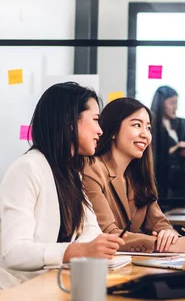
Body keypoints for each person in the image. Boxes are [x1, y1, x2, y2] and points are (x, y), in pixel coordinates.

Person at [0, 82, 124, 289]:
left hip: (52, 285)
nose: (100, 130)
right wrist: (75, 251)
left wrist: (86, 248)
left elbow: (92, 230)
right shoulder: (27, 168)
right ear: (70, 122)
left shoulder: (70, 172)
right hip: (17, 290)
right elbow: (13, 252)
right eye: (95, 120)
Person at [83, 98, 185, 253]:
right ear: (114, 130)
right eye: (137, 125)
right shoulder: (92, 168)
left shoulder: (137, 176)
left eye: (148, 128)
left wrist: (168, 234)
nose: (145, 135)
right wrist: (169, 245)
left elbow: (160, 224)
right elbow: (107, 234)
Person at [150, 86, 185, 198]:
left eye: (176, 103)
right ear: (161, 104)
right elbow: (153, 153)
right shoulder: (151, 125)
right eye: (172, 103)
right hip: (161, 182)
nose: (175, 107)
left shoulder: (182, 123)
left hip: (182, 183)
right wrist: (176, 147)